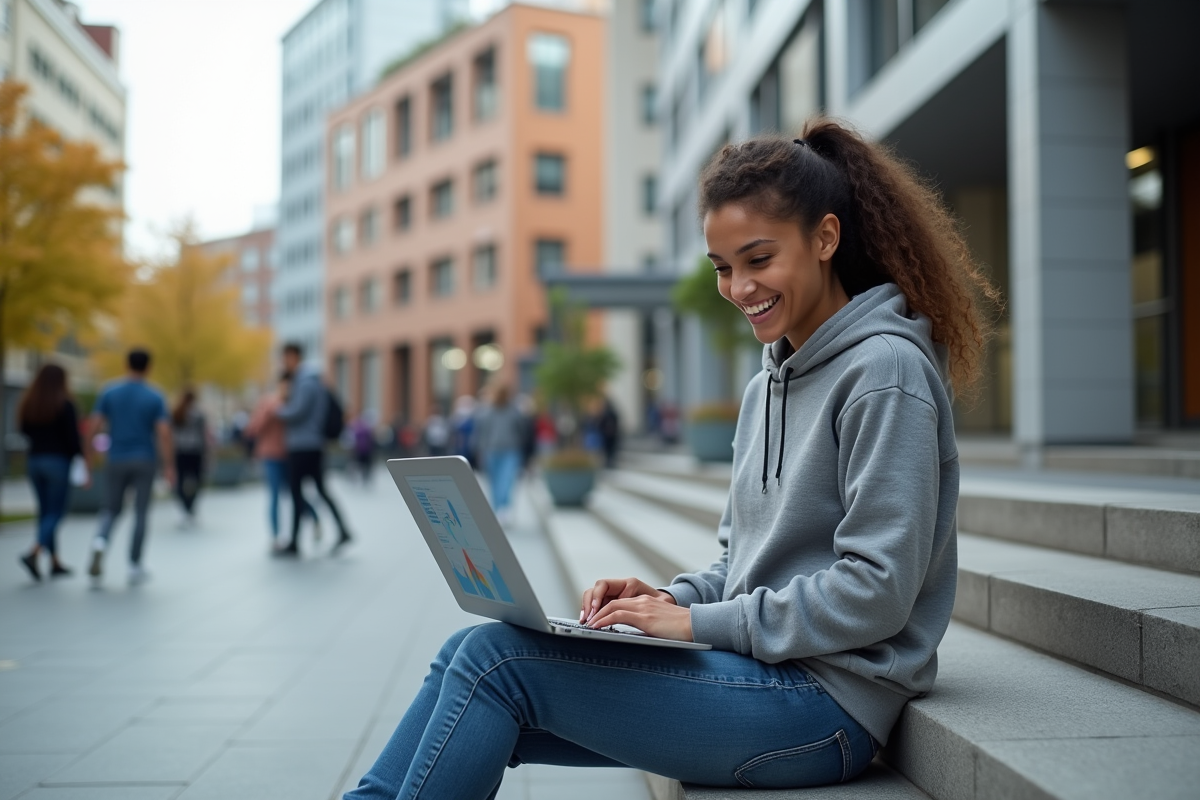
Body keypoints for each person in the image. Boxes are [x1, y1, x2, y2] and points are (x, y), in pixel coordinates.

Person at [343, 120, 997, 798]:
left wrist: (691, 625)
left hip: (826, 704)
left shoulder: (886, 373)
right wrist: (666, 599)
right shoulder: (764, 387)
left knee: (493, 663)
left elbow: (877, 591)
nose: (739, 287)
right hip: (762, 677)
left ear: (825, 238)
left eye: (758, 259)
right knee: (465, 657)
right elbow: (737, 563)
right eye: (722, 267)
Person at [89, 348, 175, 586]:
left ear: (126, 364)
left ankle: (100, 541)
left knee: (110, 508)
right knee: (141, 512)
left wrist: (88, 457)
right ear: (148, 367)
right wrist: (169, 465)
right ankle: (135, 564)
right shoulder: (155, 396)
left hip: (116, 458)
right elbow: (164, 433)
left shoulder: (110, 391)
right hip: (144, 459)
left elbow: (94, 425)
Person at [273, 342, 351, 556]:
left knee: (298, 492)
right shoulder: (311, 380)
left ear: (294, 357)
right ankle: (343, 530)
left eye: (285, 358)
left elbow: (297, 412)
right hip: (310, 445)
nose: (284, 363)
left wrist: (277, 408)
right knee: (318, 490)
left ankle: (295, 542)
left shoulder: (305, 382)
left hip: (304, 445)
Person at [17, 364, 87, 580]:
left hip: (35, 461)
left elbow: (24, 430)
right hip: (58, 462)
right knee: (56, 512)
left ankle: (54, 561)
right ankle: (35, 552)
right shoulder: (64, 405)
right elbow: (73, 439)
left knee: (45, 512)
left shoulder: (30, 403)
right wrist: (81, 456)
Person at [246, 371, 319, 551]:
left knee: (294, 494)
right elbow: (253, 428)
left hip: (290, 455)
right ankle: (276, 537)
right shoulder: (269, 403)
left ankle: (314, 518)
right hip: (271, 455)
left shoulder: (295, 404)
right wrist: (271, 411)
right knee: (274, 496)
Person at [472, 384, 525, 526]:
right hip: (491, 451)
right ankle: (497, 509)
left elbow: (522, 431)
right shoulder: (487, 412)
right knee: (494, 482)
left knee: (507, 480)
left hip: (511, 450)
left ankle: (504, 507)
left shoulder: (514, 412)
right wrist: (480, 450)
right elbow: (482, 433)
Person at [170, 388, 207, 527]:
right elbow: (202, 437)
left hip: (180, 451)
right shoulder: (198, 415)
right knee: (197, 480)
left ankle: (185, 507)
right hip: (195, 452)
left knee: (179, 480)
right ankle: (189, 507)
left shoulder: (176, 412)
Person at [350, 410, 376, 485]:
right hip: (366, 450)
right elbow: (371, 439)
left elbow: (354, 439)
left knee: (359, 465)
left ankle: (359, 478)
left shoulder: (357, 428)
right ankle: (365, 478)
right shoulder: (368, 428)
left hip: (360, 450)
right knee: (366, 465)